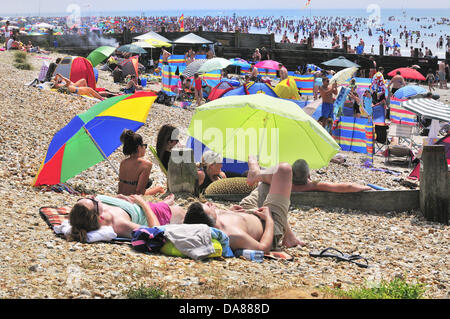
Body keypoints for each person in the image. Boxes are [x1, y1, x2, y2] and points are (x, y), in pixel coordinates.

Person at [184, 156, 301, 253]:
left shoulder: (208, 218)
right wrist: (269, 220)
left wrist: (230, 211)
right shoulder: (234, 235)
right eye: (208, 207)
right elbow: (263, 248)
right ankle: (256, 174)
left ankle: (289, 237)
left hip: (245, 209)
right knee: (283, 170)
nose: (209, 204)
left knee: (270, 179)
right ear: (209, 220)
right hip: (267, 222)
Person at [68, 194, 186, 242]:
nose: (92, 196)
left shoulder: (99, 205)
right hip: (161, 215)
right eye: (91, 199)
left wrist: (119, 198)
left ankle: (164, 203)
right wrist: (143, 203)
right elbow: (155, 231)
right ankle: (165, 204)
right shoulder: (120, 224)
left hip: (147, 207)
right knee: (194, 212)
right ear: (100, 216)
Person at [118, 129, 163, 196]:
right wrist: (157, 189)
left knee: (149, 182)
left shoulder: (123, 163)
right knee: (159, 189)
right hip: (130, 201)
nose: (145, 148)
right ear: (139, 147)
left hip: (119, 198)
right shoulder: (146, 164)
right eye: (144, 145)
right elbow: (139, 192)